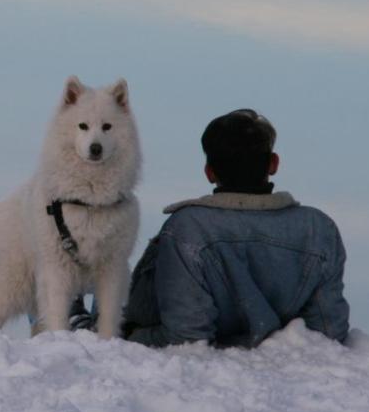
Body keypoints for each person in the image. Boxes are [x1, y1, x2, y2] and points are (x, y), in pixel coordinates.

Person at [121, 109, 349, 348]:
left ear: (209, 172)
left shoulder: (189, 228)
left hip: (208, 368)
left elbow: (187, 340)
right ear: (273, 163)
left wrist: (127, 337)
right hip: (281, 366)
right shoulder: (318, 228)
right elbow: (328, 334)